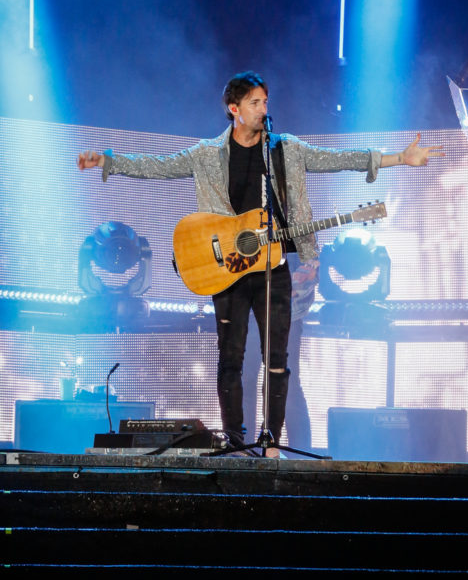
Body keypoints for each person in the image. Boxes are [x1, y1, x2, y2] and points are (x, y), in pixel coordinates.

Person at [77, 71, 443, 456]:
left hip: (274, 269)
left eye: (266, 102)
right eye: (255, 103)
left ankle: (270, 441)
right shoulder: (207, 154)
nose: (263, 109)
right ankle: (235, 441)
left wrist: (400, 158)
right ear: (234, 109)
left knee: (278, 361)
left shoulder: (286, 150)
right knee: (231, 359)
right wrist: (109, 161)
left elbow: (337, 160)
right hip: (228, 270)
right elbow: (159, 166)